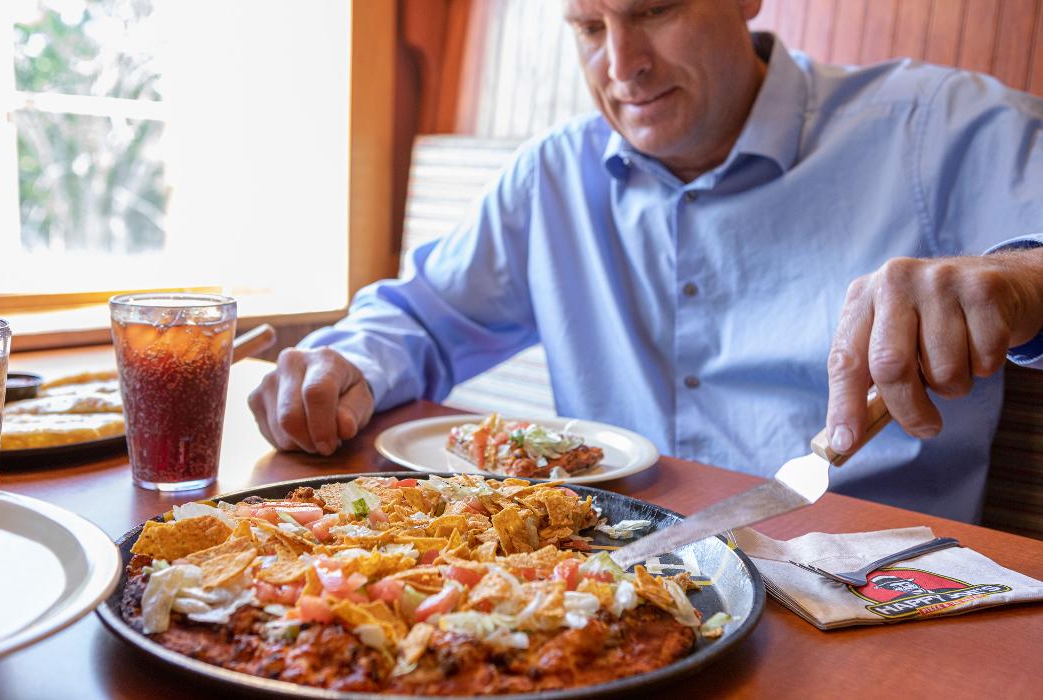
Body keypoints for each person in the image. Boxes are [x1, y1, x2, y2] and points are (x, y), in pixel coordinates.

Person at [250, 0, 1043, 522]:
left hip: (872, 591)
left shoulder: (931, 128)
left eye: (653, 9)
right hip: (615, 577)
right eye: (589, 27)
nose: (621, 64)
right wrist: (341, 366)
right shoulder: (552, 176)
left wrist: (1014, 282)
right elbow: (419, 320)